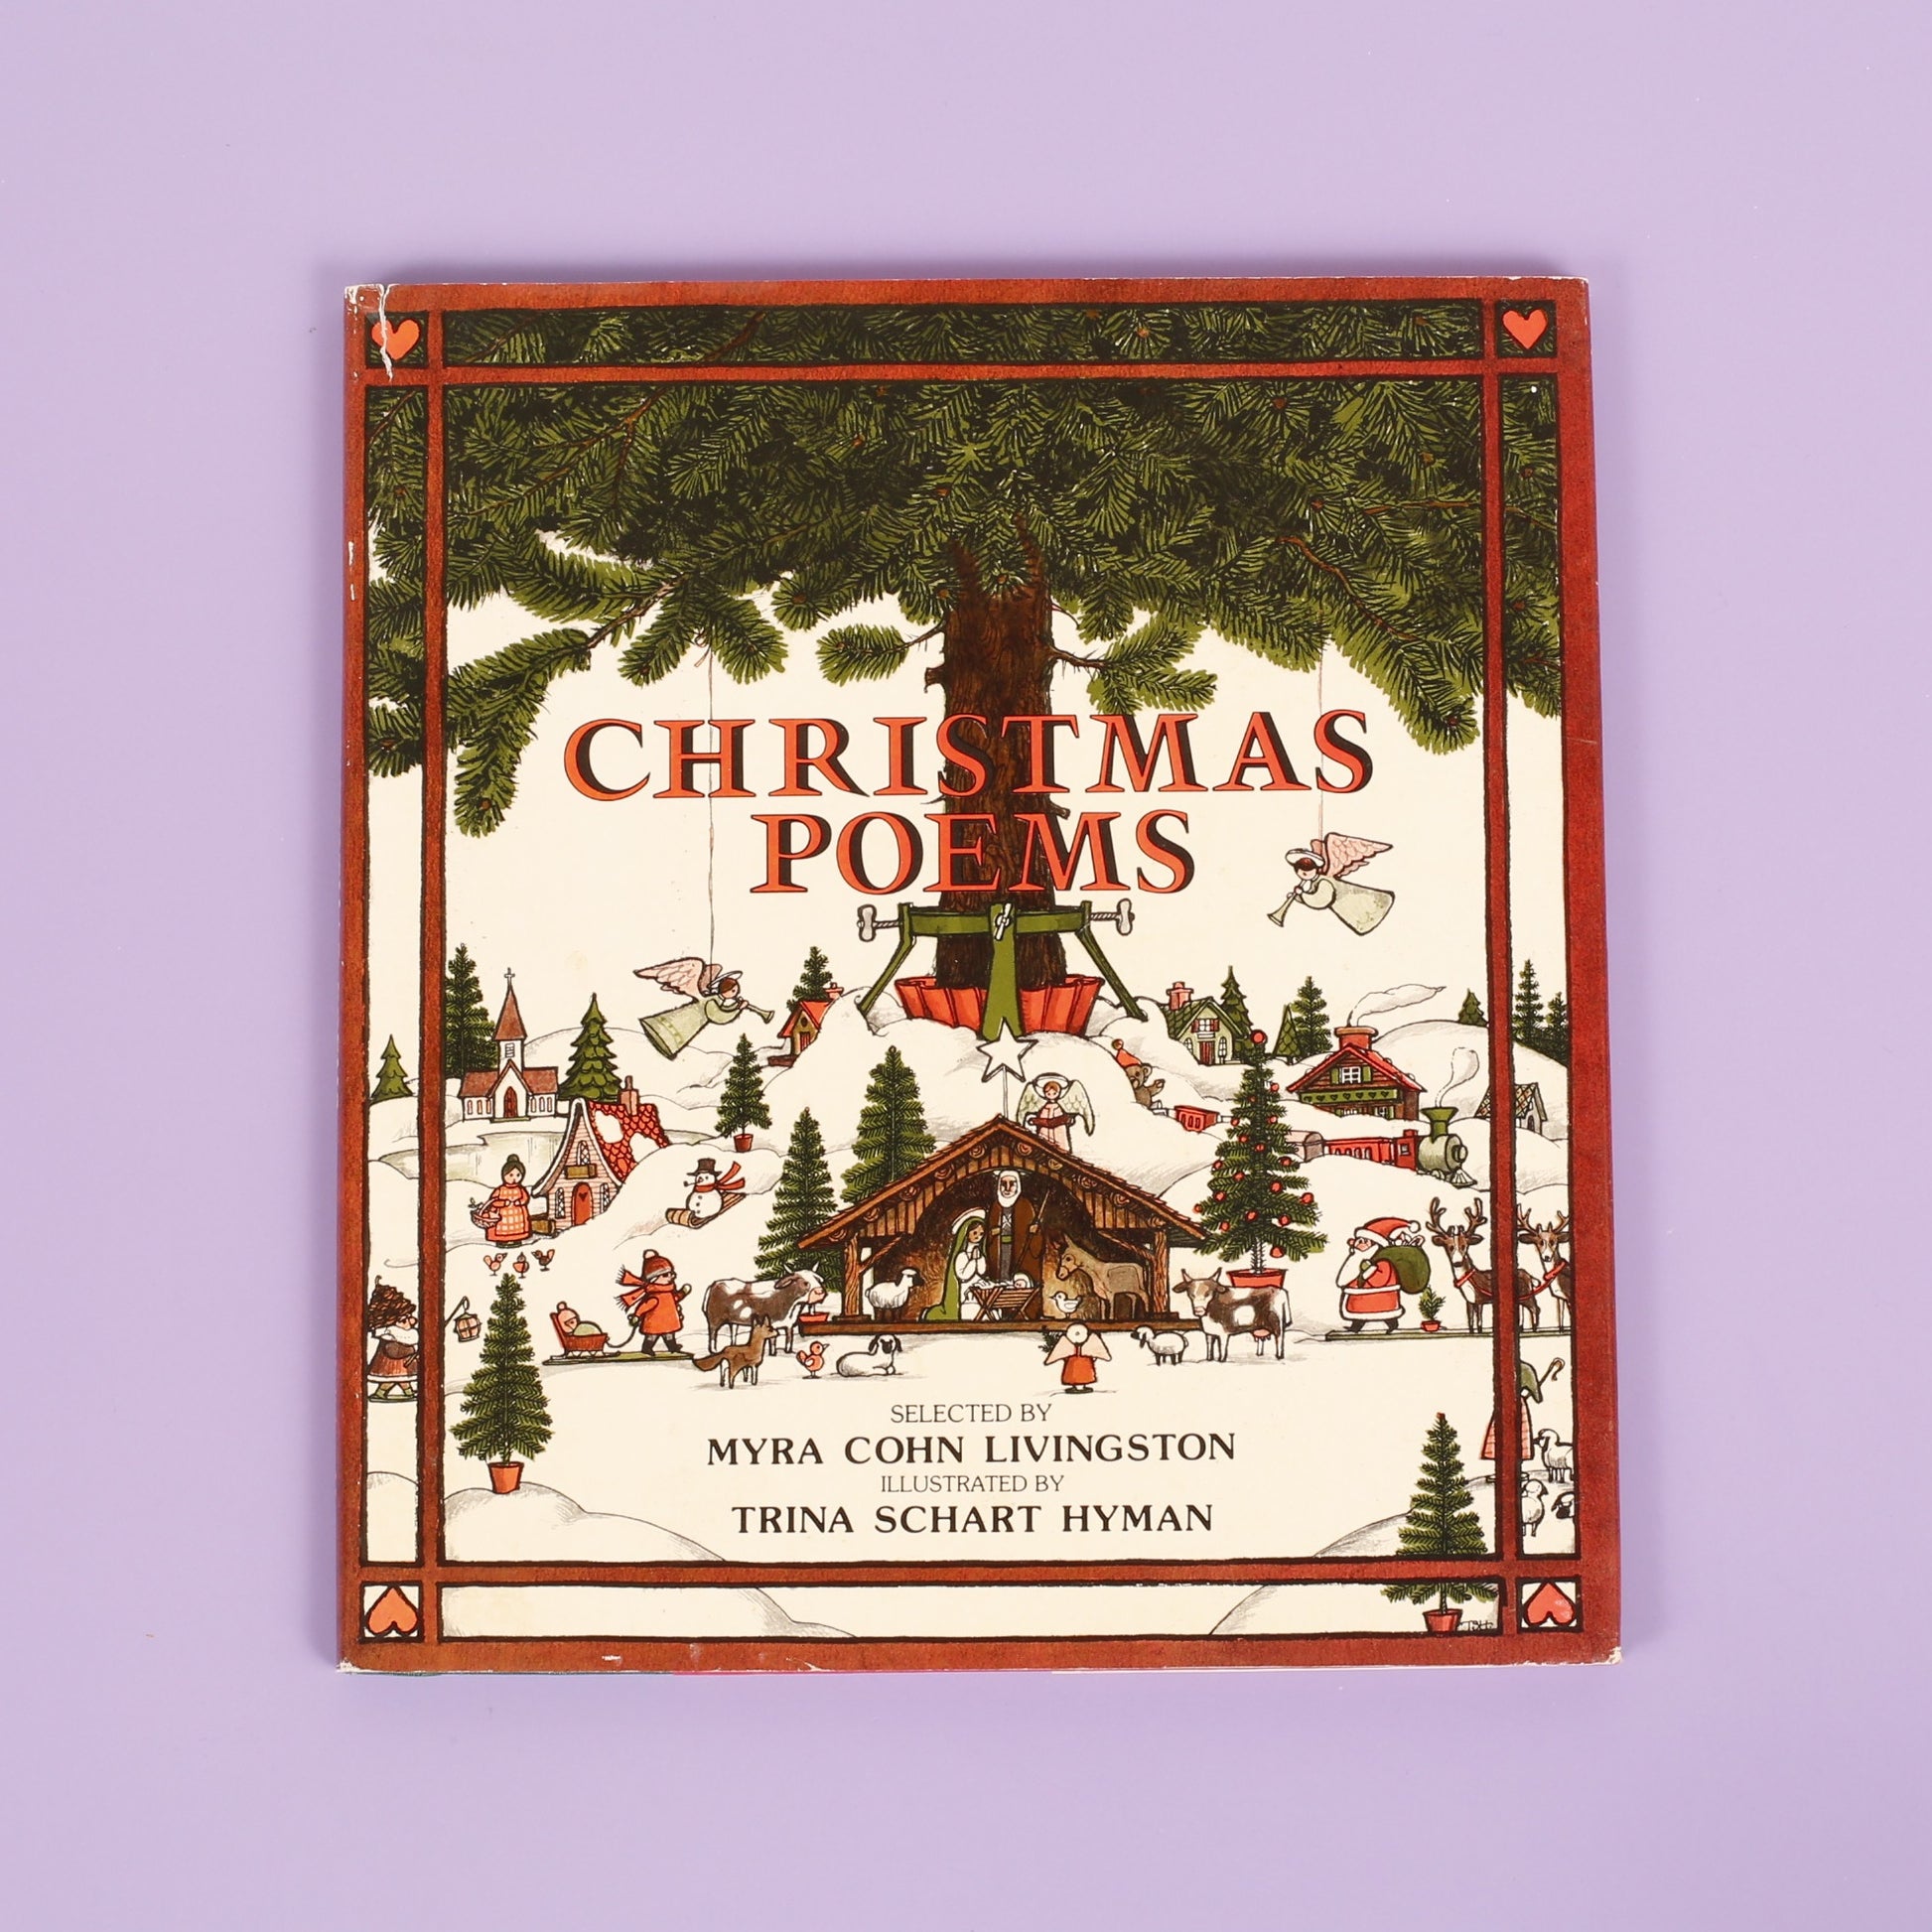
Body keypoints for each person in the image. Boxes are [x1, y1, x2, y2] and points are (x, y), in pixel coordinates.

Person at [1335, 1216, 1424, 1333]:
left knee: (1387, 1314)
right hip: (1361, 1297)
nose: (1359, 1244)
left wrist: (1368, 1272)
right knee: (1358, 1314)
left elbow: (1380, 1279)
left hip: (1380, 1297)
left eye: (1364, 1241)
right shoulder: (1359, 1259)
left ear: (1374, 1245)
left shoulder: (1383, 1261)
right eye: (1359, 1240)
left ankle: (1392, 1325)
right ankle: (1355, 1327)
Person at [617, 1250, 689, 1355]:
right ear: (654, 1279)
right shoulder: (655, 1296)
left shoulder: (668, 1293)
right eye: (665, 1275)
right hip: (654, 1323)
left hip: (668, 1321)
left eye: (671, 1274)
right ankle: (647, 1348)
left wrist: (683, 1292)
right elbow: (645, 1306)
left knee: (669, 1335)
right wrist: (637, 1315)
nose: (670, 1277)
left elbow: (675, 1299)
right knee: (652, 1337)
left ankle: (673, 1347)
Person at [928, 1211, 988, 1321]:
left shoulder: (980, 1253)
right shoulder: (962, 1255)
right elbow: (963, 1275)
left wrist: (979, 1259)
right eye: (974, 1233)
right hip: (966, 1287)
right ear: (967, 1234)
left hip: (979, 1286)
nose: (978, 1237)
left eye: (981, 1234)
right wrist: (972, 1261)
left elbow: (982, 1271)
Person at [470, 1156, 532, 1246]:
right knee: (502, 1229)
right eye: (511, 1175)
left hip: (518, 1216)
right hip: (502, 1217)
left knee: (518, 1228)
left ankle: (516, 1240)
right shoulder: (500, 1189)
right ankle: (502, 1241)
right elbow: (493, 1201)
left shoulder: (521, 1189)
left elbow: (525, 1198)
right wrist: (503, 1203)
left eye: (518, 1175)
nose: (514, 1178)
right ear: (504, 1175)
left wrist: (519, 1202)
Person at [1044, 1321, 1111, 1393]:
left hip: (1083, 1364)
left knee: (1082, 1374)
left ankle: (1080, 1386)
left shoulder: (1090, 1342)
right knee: (1074, 1374)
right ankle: (1078, 1386)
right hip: (1075, 1364)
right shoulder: (1067, 1344)